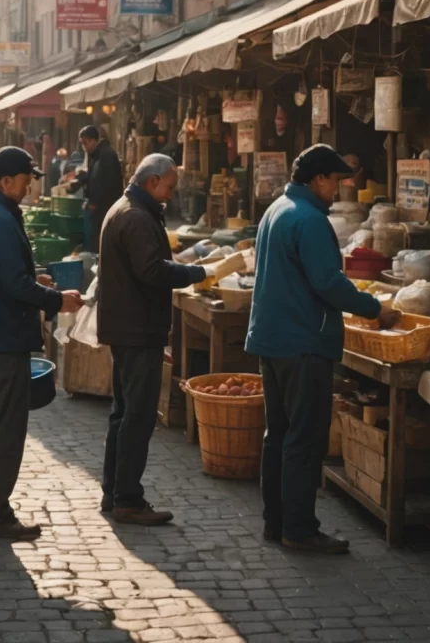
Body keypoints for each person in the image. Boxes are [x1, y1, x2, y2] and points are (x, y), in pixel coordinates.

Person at [247, 144, 401, 555]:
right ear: (317, 180)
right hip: (302, 342)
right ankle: (299, 529)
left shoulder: (277, 210)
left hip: (273, 339)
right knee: (304, 438)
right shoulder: (310, 219)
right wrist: (375, 309)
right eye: (334, 181)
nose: (337, 189)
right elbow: (329, 283)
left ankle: (276, 522)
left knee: (279, 434)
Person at [0, 147, 84, 541]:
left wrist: (34, 280)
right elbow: (13, 285)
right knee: (5, 428)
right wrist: (55, 299)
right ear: (5, 181)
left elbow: (0, 275)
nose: (29, 188)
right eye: (26, 181)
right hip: (1, 336)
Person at [96, 155, 217, 525]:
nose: (171, 194)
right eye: (169, 186)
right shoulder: (134, 216)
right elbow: (150, 270)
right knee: (136, 415)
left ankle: (114, 492)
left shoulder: (128, 209)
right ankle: (127, 498)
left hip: (127, 327)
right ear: (152, 181)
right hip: (137, 329)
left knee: (123, 414)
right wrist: (196, 272)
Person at [72, 126, 123, 253]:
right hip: (96, 207)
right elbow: (90, 176)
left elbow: (106, 183)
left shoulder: (107, 155)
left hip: (105, 208)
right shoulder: (95, 155)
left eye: (85, 143)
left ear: (93, 140)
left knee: (101, 242)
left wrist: (95, 202)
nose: (83, 147)